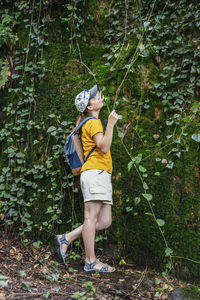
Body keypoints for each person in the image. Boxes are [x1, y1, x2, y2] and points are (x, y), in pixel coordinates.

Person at [56, 84, 119, 273]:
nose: (98, 97)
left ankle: (66, 237)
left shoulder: (90, 122)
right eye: (94, 97)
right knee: (91, 218)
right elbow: (104, 147)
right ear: (89, 107)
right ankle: (90, 261)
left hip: (100, 174)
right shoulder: (93, 122)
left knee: (105, 221)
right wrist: (110, 124)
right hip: (95, 173)